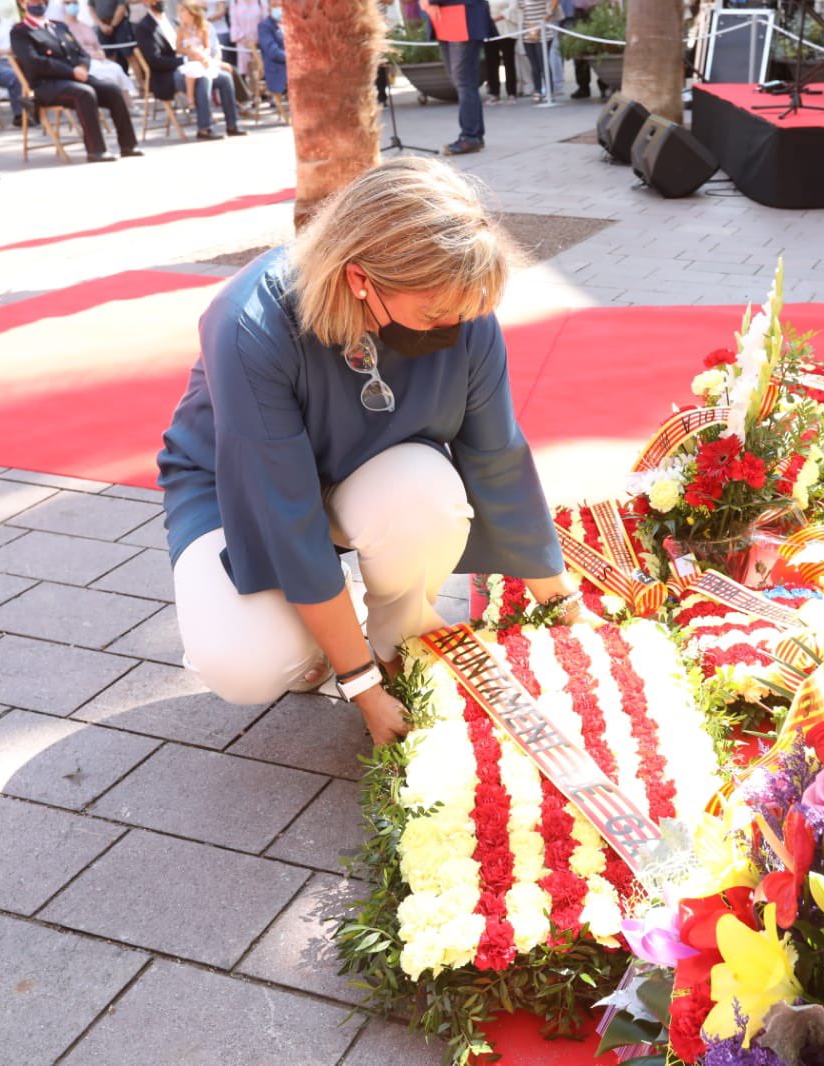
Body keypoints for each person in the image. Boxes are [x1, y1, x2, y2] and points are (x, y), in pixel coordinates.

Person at [156, 157, 583, 745]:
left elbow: (497, 455)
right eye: (435, 313)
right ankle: (325, 637)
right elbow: (282, 513)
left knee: (426, 495)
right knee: (248, 666)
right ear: (361, 278)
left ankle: (394, 633)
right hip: (237, 490)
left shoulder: (460, 304)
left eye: (465, 311)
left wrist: (561, 607)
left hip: (372, 471)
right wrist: (359, 688)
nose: (453, 327)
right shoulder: (248, 322)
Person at [11, 0, 142, 160]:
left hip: (76, 77)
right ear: (23, 4)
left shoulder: (59, 26)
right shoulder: (20, 32)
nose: (38, 4)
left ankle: (128, 145)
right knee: (84, 93)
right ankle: (96, 150)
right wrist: (71, 71)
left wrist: (83, 66)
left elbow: (80, 52)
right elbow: (34, 63)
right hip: (47, 85)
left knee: (112, 90)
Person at [422, 0, 492, 153]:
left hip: (461, 14)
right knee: (463, 82)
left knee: (464, 82)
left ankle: (470, 137)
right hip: (446, 17)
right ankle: (475, 135)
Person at [177, 0, 245, 136]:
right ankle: (204, 127)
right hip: (187, 66)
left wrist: (205, 57)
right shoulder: (180, 29)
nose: (180, 14)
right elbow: (178, 49)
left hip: (205, 62)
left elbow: (211, 48)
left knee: (225, 78)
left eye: (183, 11)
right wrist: (192, 53)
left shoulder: (205, 27)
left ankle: (232, 124)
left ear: (192, 13)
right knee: (204, 79)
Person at [59, 0, 137, 93]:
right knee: (106, 75)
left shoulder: (85, 26)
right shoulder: (61, 28)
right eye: (68, 3)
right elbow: (70, 51)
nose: (72, 6)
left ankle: (126, 102)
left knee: (116, 68)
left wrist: (100, 53)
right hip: (83, 63)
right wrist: (89, 56)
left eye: (74, 3)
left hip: (99, 59)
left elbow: (97, 45)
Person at [517, 0, 557, 104]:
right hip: (527, 35)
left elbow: (552, 8)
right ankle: (538, 91)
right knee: (534, 66)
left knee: (543, 63)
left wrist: (540, 25)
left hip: (544, 33)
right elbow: (519, 11)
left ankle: (550, 91)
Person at [485, 0, 519, 103]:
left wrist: (496, 18)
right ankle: (494, 93)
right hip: (489, 31)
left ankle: (512, 93)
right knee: (491, 63)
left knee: (509, 62)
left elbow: (513, 7)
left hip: (506, 30)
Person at [91, 0, 135, 72]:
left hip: (120, 24)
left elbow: (121, 7)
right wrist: (101, 25)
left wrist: (112, 25)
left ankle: (140, 82)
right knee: (107, 56)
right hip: (102, 25)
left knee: (129, 54)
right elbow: (91, 7)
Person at [256, 4, 284, 95]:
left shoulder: (293, 21)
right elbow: (273, 52)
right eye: (275, 6)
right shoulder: (265, 26)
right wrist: (293, 58)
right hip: (278, 67)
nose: (278, 8)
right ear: (269, 8)